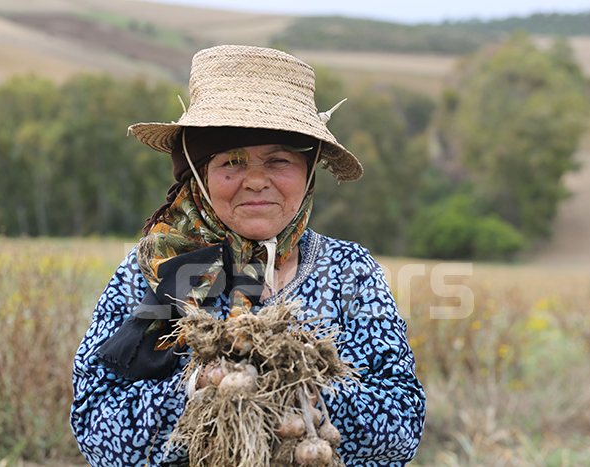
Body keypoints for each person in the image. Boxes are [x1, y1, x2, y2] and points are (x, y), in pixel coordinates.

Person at [70, 44, 425, 467]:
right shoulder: (156, 271)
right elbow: (96, 428)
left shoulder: (352, 271)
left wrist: (302, 389)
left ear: (309, 174)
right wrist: (199, 389)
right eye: (232, 163)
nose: (256, 182)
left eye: (278, 161)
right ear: (199, 177)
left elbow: (402, 425)